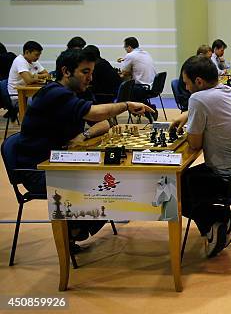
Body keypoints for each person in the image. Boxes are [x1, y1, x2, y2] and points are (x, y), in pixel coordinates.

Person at [15, 49, 153, 247]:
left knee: (114, 180)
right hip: (39, 170)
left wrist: (85, 134)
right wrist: (126, 104)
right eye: (85, 72)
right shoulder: (54, 93)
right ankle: (75, 229)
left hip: (61, 161)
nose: (90, 78)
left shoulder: (76, 91)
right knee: (112, 186)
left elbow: (104, 122)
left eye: (91, 72)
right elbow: (93, 113)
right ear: (66, 71)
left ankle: (79, 227)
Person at [170, 56, 231, 258]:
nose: (186, 89)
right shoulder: (228, 90)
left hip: (226, 178)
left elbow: (195, 143)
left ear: (199, 82)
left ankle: (218, 220)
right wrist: (187, 115)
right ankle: (218, 221)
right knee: (185, 180)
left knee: (173, 187)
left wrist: (192, 125)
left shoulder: (198, 98)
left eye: (187, 83)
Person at [118, 36, 157, 119]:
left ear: (129, 47)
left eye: (125, 47)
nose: (125, 49)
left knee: (126, 92)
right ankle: (145, 109)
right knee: (131, 91)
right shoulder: (145, 53)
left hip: (142, 87)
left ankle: (149, 110)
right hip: (153, 85)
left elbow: (124, 72)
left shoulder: (130, 55)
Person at [7, 41, 50, 105]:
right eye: (36, 55)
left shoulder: (34, 61)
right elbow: (29, 81)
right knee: (41, 103)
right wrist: (36, 77)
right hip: (17, 96)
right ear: (27, 52)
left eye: (39, 55)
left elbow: (47, 74)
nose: (38, 57)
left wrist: (35, 76)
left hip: (30, 93)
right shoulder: (20, 61)